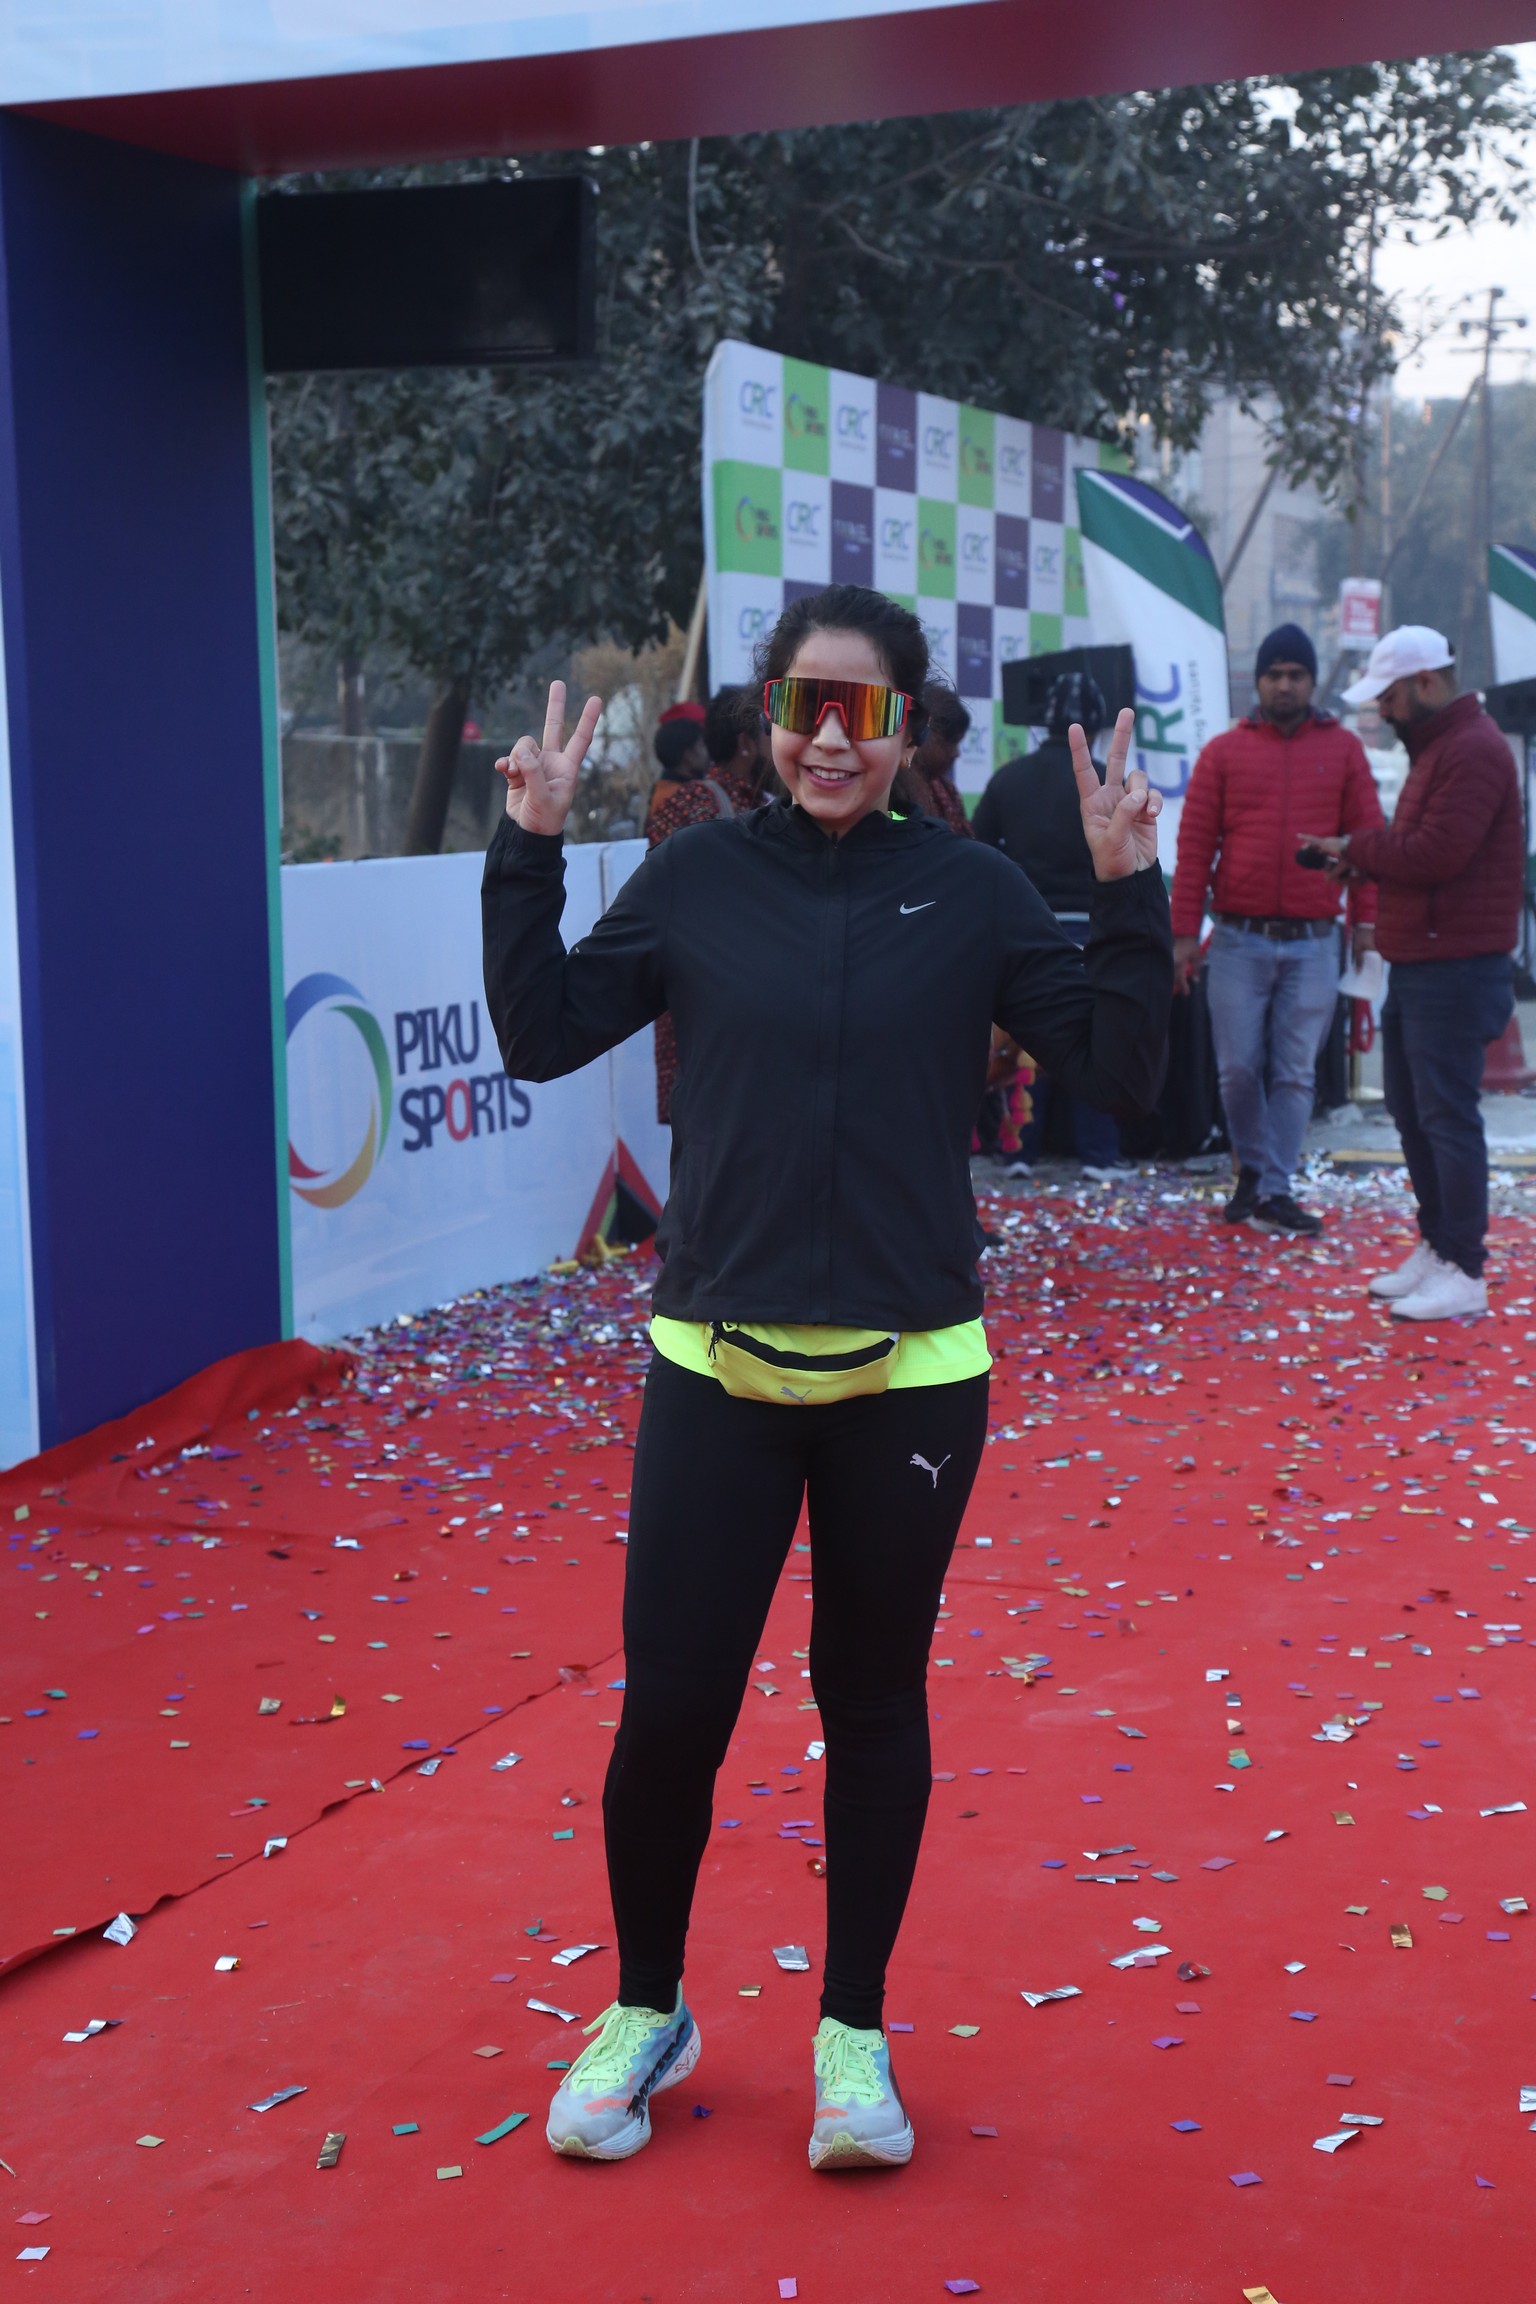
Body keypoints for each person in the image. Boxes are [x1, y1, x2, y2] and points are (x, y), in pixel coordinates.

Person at [482, 583, 1172, 2173]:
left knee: (869, 1703)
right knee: (672, 1712)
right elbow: (539, 1031)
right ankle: (647, 2008)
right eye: (806, 708)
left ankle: (852, 2033)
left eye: (864, 713)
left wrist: (1126, 888)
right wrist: (528, 848)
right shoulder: (699, 874)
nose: (831, 742)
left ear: (906, 726)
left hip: (912, 1377)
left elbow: (1124, 1076)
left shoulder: (977, 890)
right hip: (712, 1366)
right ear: (771, 717)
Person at [1307, 626, 1522, 1320]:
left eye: (1390, 697)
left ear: (1426, 682)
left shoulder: (1472, 749)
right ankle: (1439, 1244)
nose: (1384, 711)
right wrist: (1367, 859)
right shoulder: (1442, 747)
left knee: (1445, 1118)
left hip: (1455, 967)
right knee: (1414, 1113)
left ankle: (1464, 1265)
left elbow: (1436, 854)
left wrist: (1358, 848)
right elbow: (1423, 851)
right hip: (1427, 959)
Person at [1170, 620, 1384, 1236]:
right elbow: (1195, 848)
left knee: (1294, 1073)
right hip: (1237, 939)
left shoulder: (1344, 750)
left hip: (1315, 941)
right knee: (1237, 1068)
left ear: (1312, 682)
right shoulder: (1223, 753)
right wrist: (1183, 935)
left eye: (1295, 675)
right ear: (1258, 682)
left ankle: (1274, 1187)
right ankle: (1254, 1169)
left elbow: (1368, 842)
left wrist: (1366, 925)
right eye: (1273, 675)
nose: (1284, 685)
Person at [974, 670, 1132, 1179]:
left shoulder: (1009, 780)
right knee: (1093, 1041)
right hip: (1094, 927)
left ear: (1043, 723)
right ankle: (1099, 1157)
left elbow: (978, 854)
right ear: (1098, 726)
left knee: (1026, 1038)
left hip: (1027, 928)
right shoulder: (1109, 788)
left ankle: (1019, 1152)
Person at [648, 686, 773, 1123]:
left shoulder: (763, 808)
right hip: (709, 1027)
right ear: (746, 744)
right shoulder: (697, 804)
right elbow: (678, 914)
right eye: (771, 733)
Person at [895, 683, 973, 834]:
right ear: (920, 733)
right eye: (950, 742)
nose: (956, 753)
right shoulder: (893, 791)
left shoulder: (947, 790)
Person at [644, 702, 709, 823]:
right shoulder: (677, 798)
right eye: (701, 745)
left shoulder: (666, 790)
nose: (707, 751)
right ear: (688, 754)